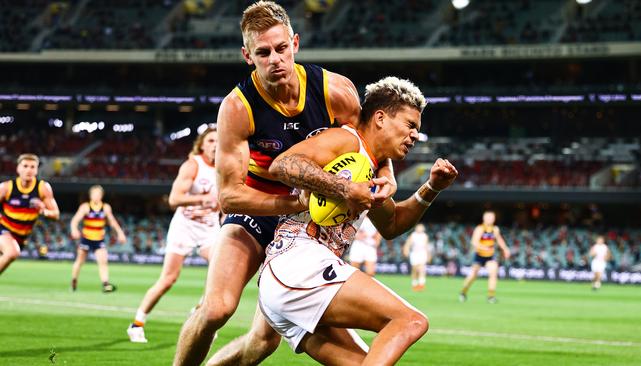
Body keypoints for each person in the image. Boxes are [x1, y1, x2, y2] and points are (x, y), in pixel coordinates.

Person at [173, 2, 397, 365]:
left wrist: (386, 179)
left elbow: (372, 146)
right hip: (256, 210)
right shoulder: (237, 107)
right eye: (263, 52)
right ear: (248, 55)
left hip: (305, 225)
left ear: (295, 43)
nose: (275, 59)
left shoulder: (335, 91)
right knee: (216, 309)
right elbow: (230, 197)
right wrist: (298, 204)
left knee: (263, 343)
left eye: (281, 49)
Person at [258, 76, 458, 364]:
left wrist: (432, 188)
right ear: (380, 118)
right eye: (410, 125)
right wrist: (344, 188)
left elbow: (392, 225)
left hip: (294, 279)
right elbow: (284, 164)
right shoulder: (347, 140)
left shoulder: (371, 166)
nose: (415, 135)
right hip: (297, 262)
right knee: (409, 321)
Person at [127, 127, 220, 343]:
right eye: (211, 140)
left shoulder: (226, 165)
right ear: (202, 145)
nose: (215, 144)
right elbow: (174, 199)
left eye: (219, 140)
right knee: (168, 279)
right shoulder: (192, 165)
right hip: (184, 226)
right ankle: (137, 324)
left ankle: (199, 313)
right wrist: (203, 199)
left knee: (222, 272)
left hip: (209, 228)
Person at [0, 154, 60, 275]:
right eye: (25, 166)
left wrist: (43, 211)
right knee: (12, 252)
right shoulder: (6, 187)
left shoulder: (43, 188)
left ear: (37, 170)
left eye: (32, 167)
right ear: (18, 168)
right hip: (4, 229)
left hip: (21, 238)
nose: (28, 170)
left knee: (11, 253)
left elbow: (56, 215)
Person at [70, 185, 127, 292]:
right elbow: (75, 220)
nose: (96, 196)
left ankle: (105, 284)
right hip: (86, 238)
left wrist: (120, 233)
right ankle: (74, 279)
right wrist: (74, 230)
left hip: (99, 239)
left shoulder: (105, 207)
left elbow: (112, 222)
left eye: (98, 194)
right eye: (94, 194)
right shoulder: (85, 207)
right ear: (90, 196)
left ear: (101, 196)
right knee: (80, 261)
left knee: (103, 261)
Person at [459, 211, 511, 303]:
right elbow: (474, 242)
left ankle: (491, 296)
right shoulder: (480, 229)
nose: (490, 219)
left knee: (493, 273)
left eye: (492, 217)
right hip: (479, 255)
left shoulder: (495, 229)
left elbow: (499, 240)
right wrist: (484, 248)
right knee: (473, 275)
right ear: (484, 218)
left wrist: (505, 249)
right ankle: (463, 292)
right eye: (489, 217)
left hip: (490, 256)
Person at [402, 223, 431, 291]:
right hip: (414, 254)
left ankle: (421, 285)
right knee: (414, 270)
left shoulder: (425, 236)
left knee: (421, 269)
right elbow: (408, 244)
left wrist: (429, 255)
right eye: (419, 227)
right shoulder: (413, 235)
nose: (420, 229)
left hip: (422, 253)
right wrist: (406, 250)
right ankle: (414, 284)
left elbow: (427, 246)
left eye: (421, 227)